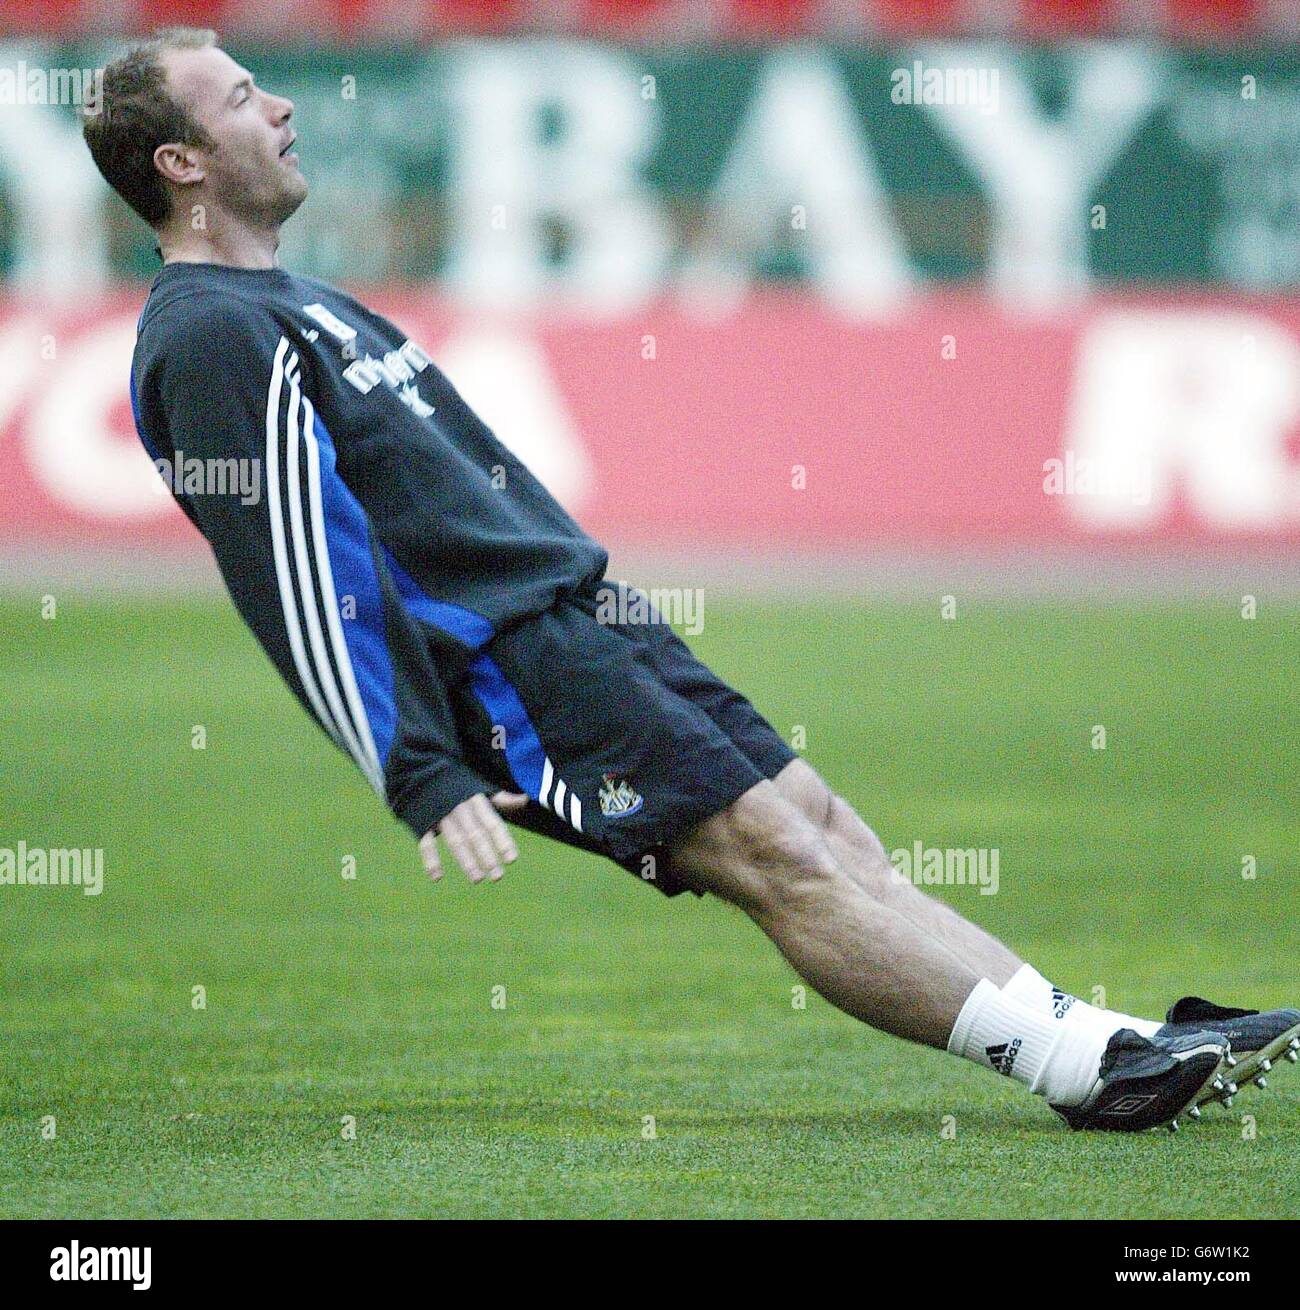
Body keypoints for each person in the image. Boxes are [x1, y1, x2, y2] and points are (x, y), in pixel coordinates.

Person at [83, 28, 1298, 1133]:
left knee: (823, 823)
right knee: (775, 856)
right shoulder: (206, 336)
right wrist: (416, 760)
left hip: (584, 615)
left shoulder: (292, 300)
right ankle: (1084, 1070)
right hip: (513, 660)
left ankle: (1107, 1037)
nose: (282, 105)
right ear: (183, 163)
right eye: (243, 97)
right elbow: (300, 564)